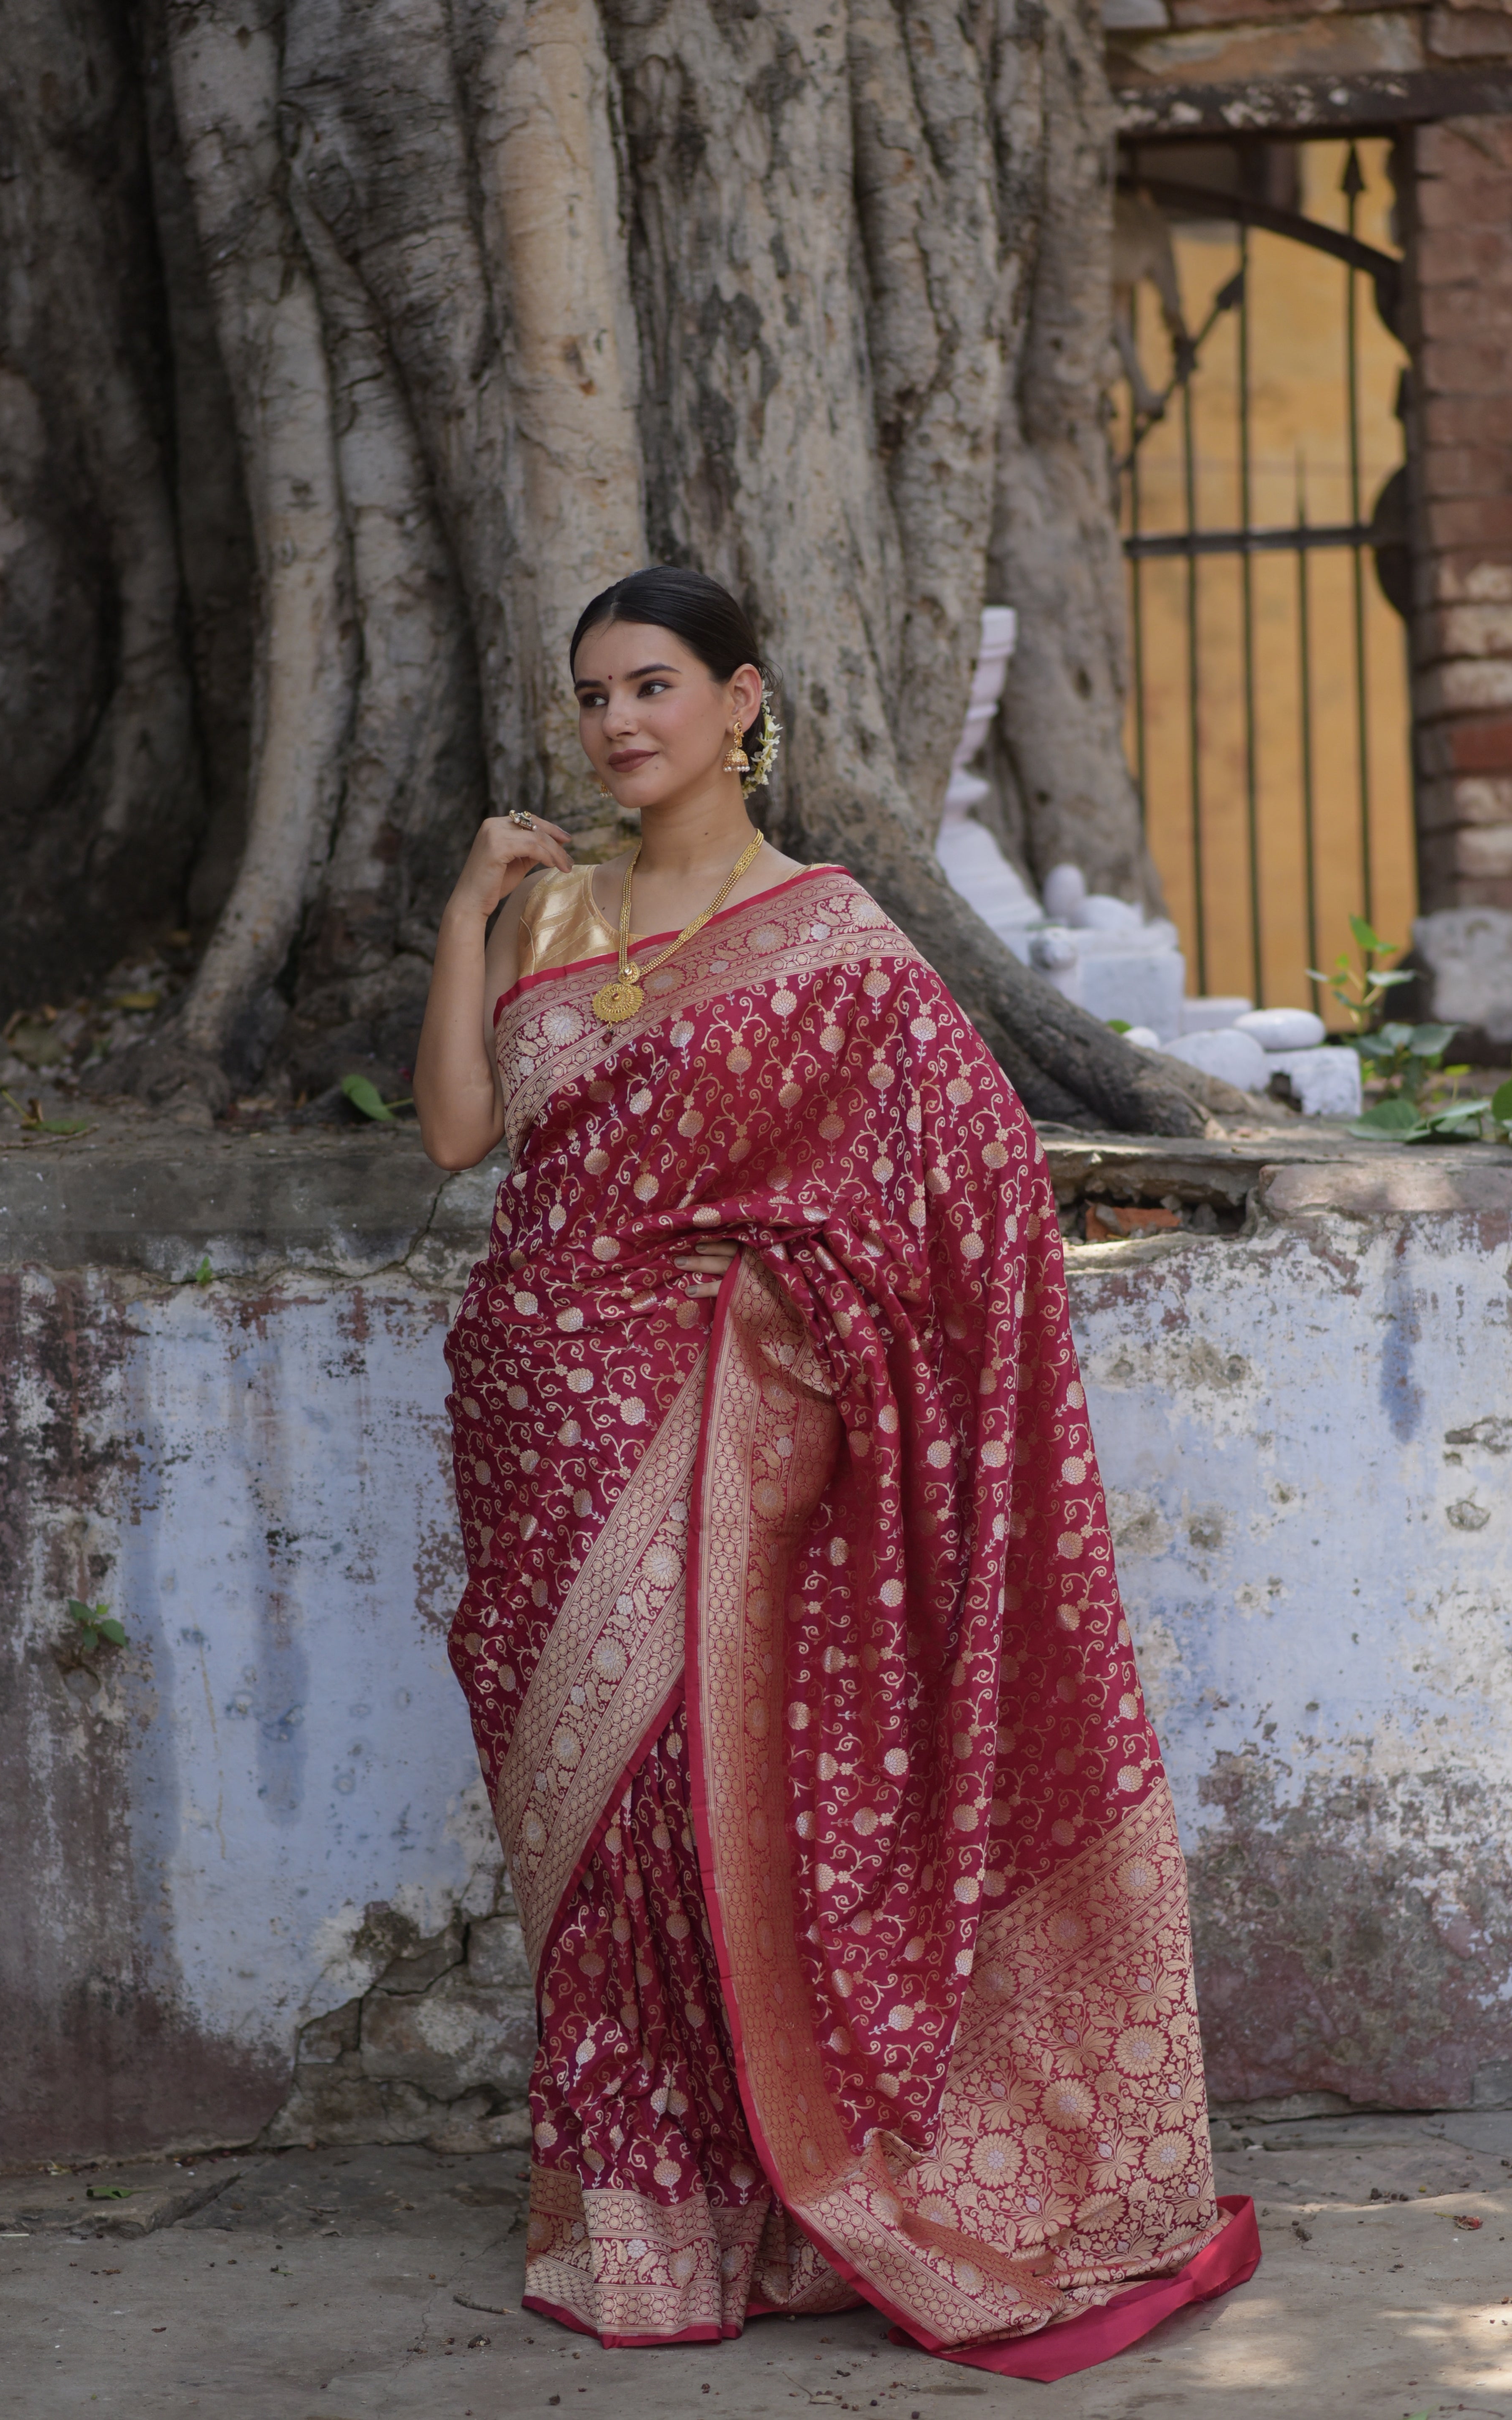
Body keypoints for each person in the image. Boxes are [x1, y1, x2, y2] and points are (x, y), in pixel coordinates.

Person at [413, 566, 1254, 2370]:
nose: (618, 723)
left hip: (719, 1429)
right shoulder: (551, 905)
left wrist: (797, 1304)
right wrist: (470, 910)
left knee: (691, 1811)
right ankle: (636, 2210)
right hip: (530, 1432)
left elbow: (973, 1182)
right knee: (590, 1833)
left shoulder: (833, 932)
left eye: (651, 685)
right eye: (592, 697)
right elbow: (458, 1133)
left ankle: (756, 2206)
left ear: (742, 700)